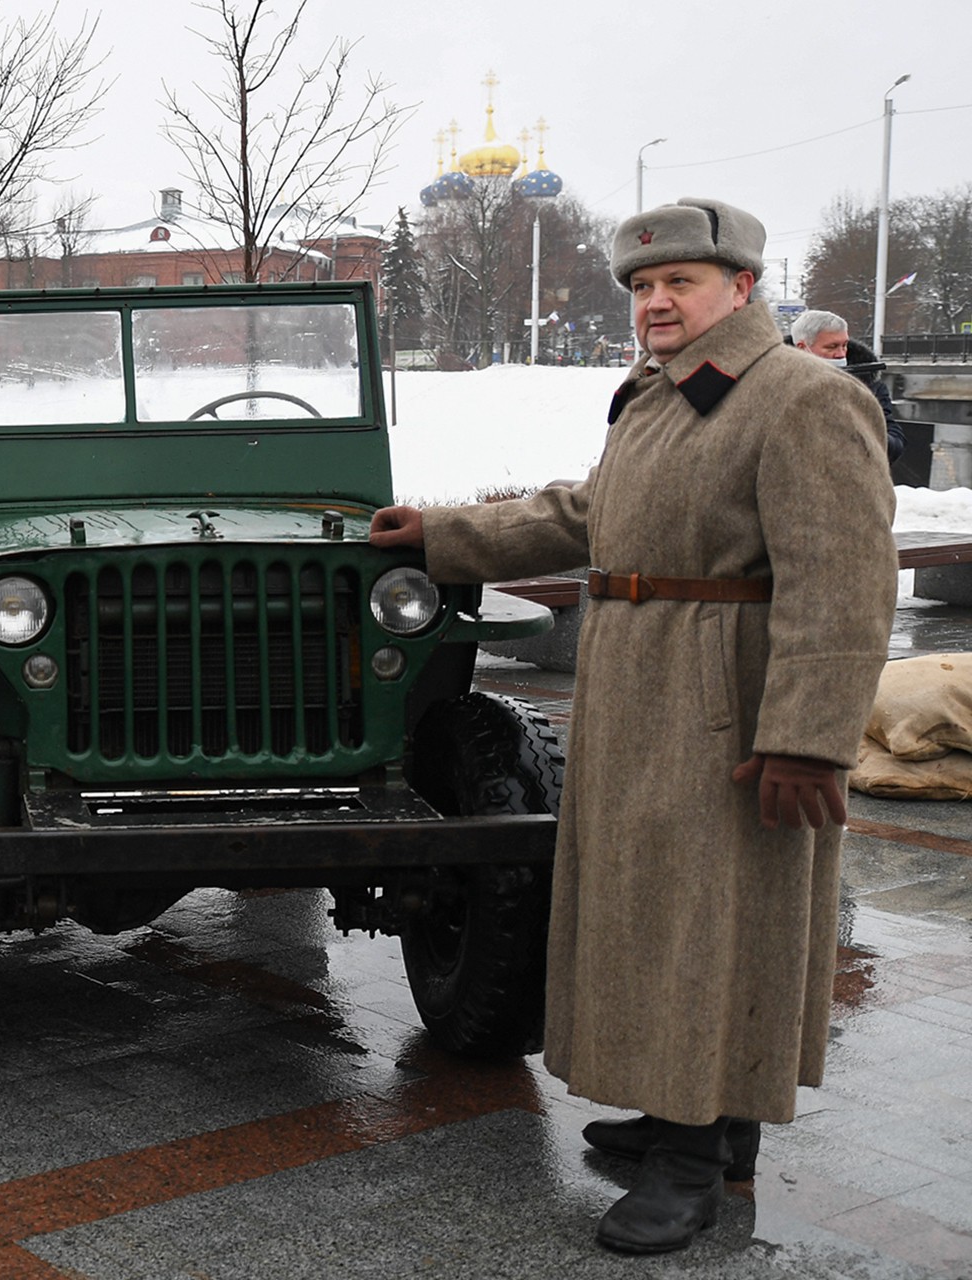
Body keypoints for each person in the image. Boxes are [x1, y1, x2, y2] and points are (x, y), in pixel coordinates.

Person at [370, 197, 896, 1255]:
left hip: (724, 704)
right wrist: (443, 534)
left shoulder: (800, 396)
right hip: (643, 691)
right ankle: (699, 1116)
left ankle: (690, 1163)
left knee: (706, 920)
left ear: (741, 287)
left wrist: (807, 733)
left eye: (680, 283)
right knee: (663, 909)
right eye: (642, 288)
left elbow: (842, 580)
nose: (655, 301)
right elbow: (583, 515)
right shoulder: (659, 396)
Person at [790, 309, 905, 463]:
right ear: (802, 347)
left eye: (844, 345)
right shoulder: (775, 384)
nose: (841, 354)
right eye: (831, 347)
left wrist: (861, 431)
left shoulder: (870, 386)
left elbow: (895, 445)